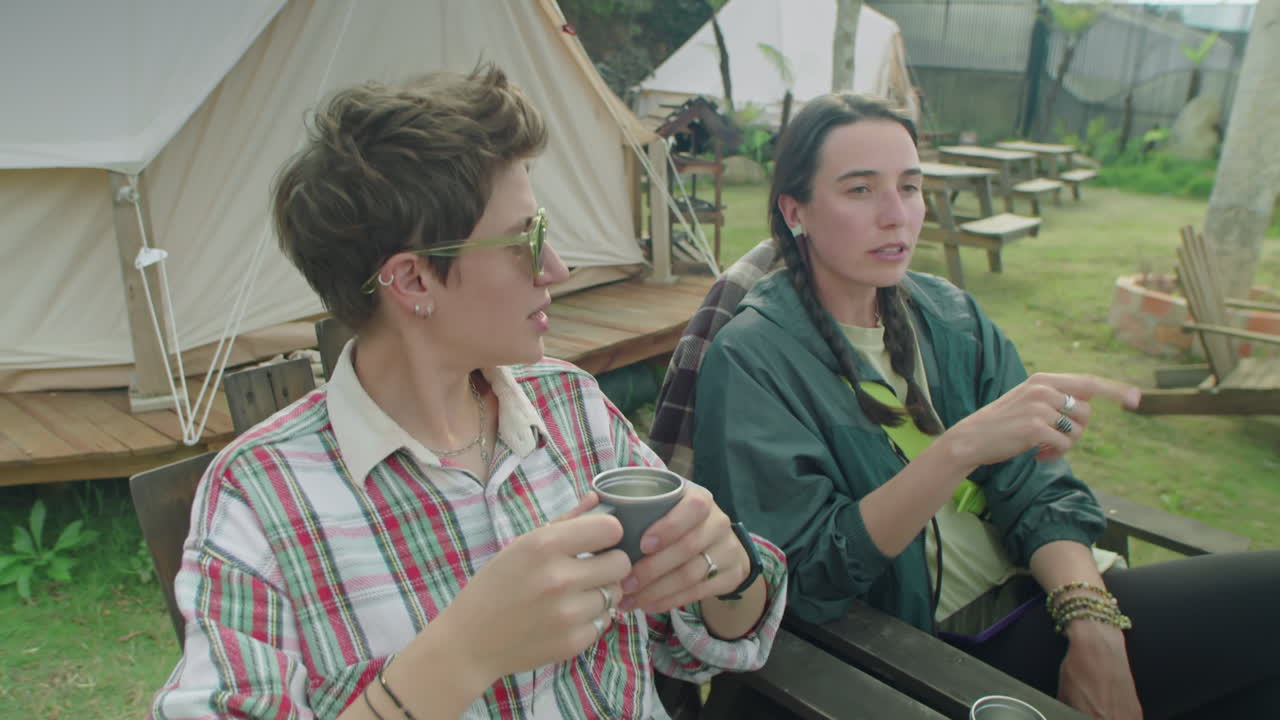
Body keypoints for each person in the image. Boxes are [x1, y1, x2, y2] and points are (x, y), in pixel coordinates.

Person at [148, 65, 787, 720]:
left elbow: (703, 637)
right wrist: (463, 653)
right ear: (413, 282)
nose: (557, 268)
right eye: (527, 240)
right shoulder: (264, 497)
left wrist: (727, 567)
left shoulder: (573, 410)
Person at [689, 93, 1279, 719]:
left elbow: (1039, 484)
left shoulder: (950, 317)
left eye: (910, 187)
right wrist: (959, 447)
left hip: (1044, 590)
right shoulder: (755, 360)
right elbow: (801, 579)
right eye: (860, 190)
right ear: (795, 209)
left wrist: (1095, 629)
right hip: (927, 646)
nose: (897, 216)